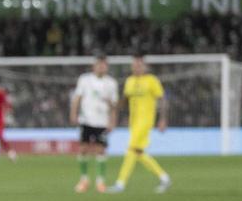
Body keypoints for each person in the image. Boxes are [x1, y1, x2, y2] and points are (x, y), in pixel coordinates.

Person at [109, 53, 171, 193]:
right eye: (134, 65)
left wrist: (162, 119)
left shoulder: (151, 80)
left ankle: (121, 183)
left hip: (145, 121)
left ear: (144, 66)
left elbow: (162, 99)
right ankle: (164, 177)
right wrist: (115, 107)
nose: (136, 67)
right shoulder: (129, 81)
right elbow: (125, 100)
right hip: (133, 121)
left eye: (139, 65)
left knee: (131, 149)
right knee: (138, 152)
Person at [69, 54, 118, 193]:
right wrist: (73, 113)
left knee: (100, 150)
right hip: (86, 120)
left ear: (106, 66)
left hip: (102, 122)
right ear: (94, 66)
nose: (101, 67)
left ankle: (100, 181)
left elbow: (114, 105)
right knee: (83, 149)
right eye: (99, 64)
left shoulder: (111, 83)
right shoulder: (85, 80)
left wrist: (113, 121)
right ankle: (84, 179)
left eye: (104, 65)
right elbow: (77, 98)